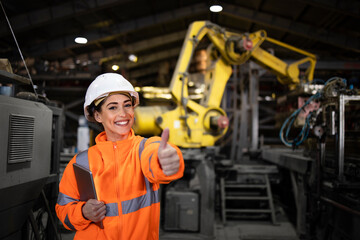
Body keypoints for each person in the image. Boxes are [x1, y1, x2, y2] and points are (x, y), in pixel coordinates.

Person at [56, 73, 184, 239]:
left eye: (127, 105)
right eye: (113, 107)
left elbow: (156, 156)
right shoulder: (81, 162)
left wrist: (167, 160)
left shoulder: (144, 148)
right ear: (98, 115)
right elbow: (63, 211)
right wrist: (83, 212)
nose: (123, 113)